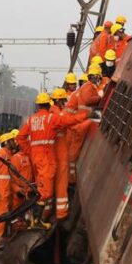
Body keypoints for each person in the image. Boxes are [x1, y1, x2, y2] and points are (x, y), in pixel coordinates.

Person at [17, 92, 87, 228]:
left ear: (38, 105)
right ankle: (37, 220)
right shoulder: (51, 118)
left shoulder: (31, 120)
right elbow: (69, 121)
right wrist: (86, 116)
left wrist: (30, 151)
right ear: (49, 104)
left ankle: (38, 219)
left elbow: (20, 138)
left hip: (38, 158)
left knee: (43, 187)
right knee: (46, 192)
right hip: (47, 157)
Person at [66, 64, 105, 183]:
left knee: (73, 151)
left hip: (79, 121)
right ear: (96, 76)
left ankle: (70, 178)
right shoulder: (89, 87)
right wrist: (99, 97)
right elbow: (88, 100)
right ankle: (71, 179)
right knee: (73, 153)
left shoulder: (84, 88)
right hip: (81, 123)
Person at [50, 88, 73, 220]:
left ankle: (53, 212)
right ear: (58, 100)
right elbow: (70, 123)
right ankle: (61, 213)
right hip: (59, 155)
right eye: (63, 100)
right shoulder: (57, 114)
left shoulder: (50, 113)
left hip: (52, 155)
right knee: (61, 185)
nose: (64, 103)